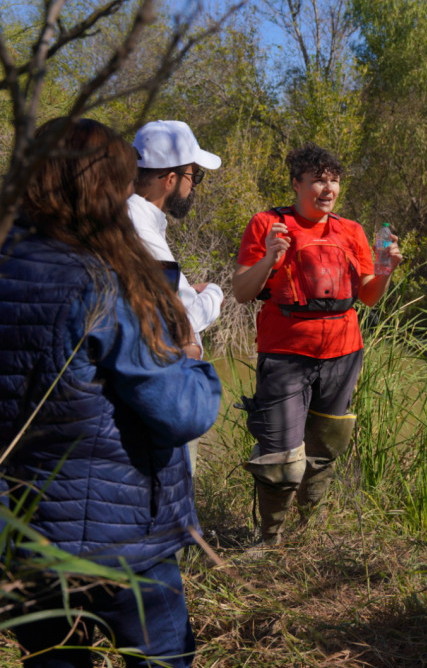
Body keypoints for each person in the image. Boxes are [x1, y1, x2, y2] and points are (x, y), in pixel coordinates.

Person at [0, 118, 222, 666]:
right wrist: (196, 366)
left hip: (27, 533)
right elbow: (179, 412)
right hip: (122, 541)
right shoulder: (103, 281)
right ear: (105, 187)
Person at [233, 143, 401, 545]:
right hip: (286, 352)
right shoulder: (267, 224)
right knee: (280, 455)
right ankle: (269, 540)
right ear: (297, 184)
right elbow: (241, 291)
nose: (327, 189)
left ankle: (308, 533)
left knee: (324, 447)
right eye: (318, 181)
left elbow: (369, 296)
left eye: (334, 181)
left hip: (343, 352)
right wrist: (270, 258)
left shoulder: (352, 231)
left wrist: (386, 269)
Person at [130, 120, 224, 361]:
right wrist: (213, 293)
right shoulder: (137, 225)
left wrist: (184, 294)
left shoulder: (133, 213)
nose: (193, 185)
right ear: (170, 179)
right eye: (193, 175)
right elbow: (184, 319)